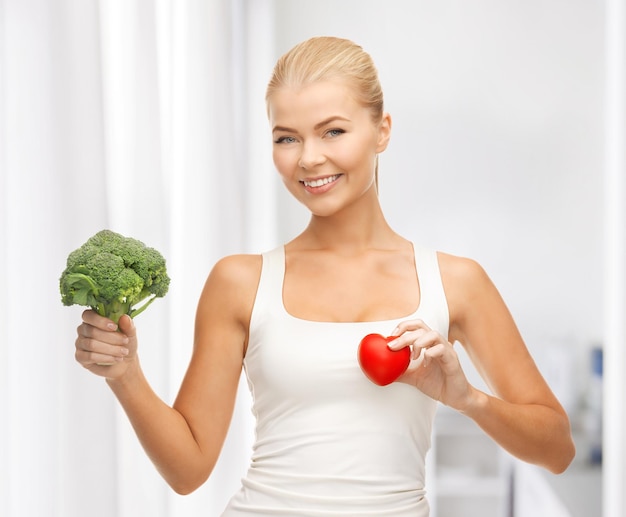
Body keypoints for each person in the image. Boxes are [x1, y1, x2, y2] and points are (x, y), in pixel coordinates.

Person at [75, 36, 575, 516]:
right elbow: (188, 471)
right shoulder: (240, 282)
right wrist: (126, 375)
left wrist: (467, 399)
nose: (309, 158)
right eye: (286, 138)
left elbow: (557, 449)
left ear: (382, 130)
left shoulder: (456, 282)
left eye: (332, 131)